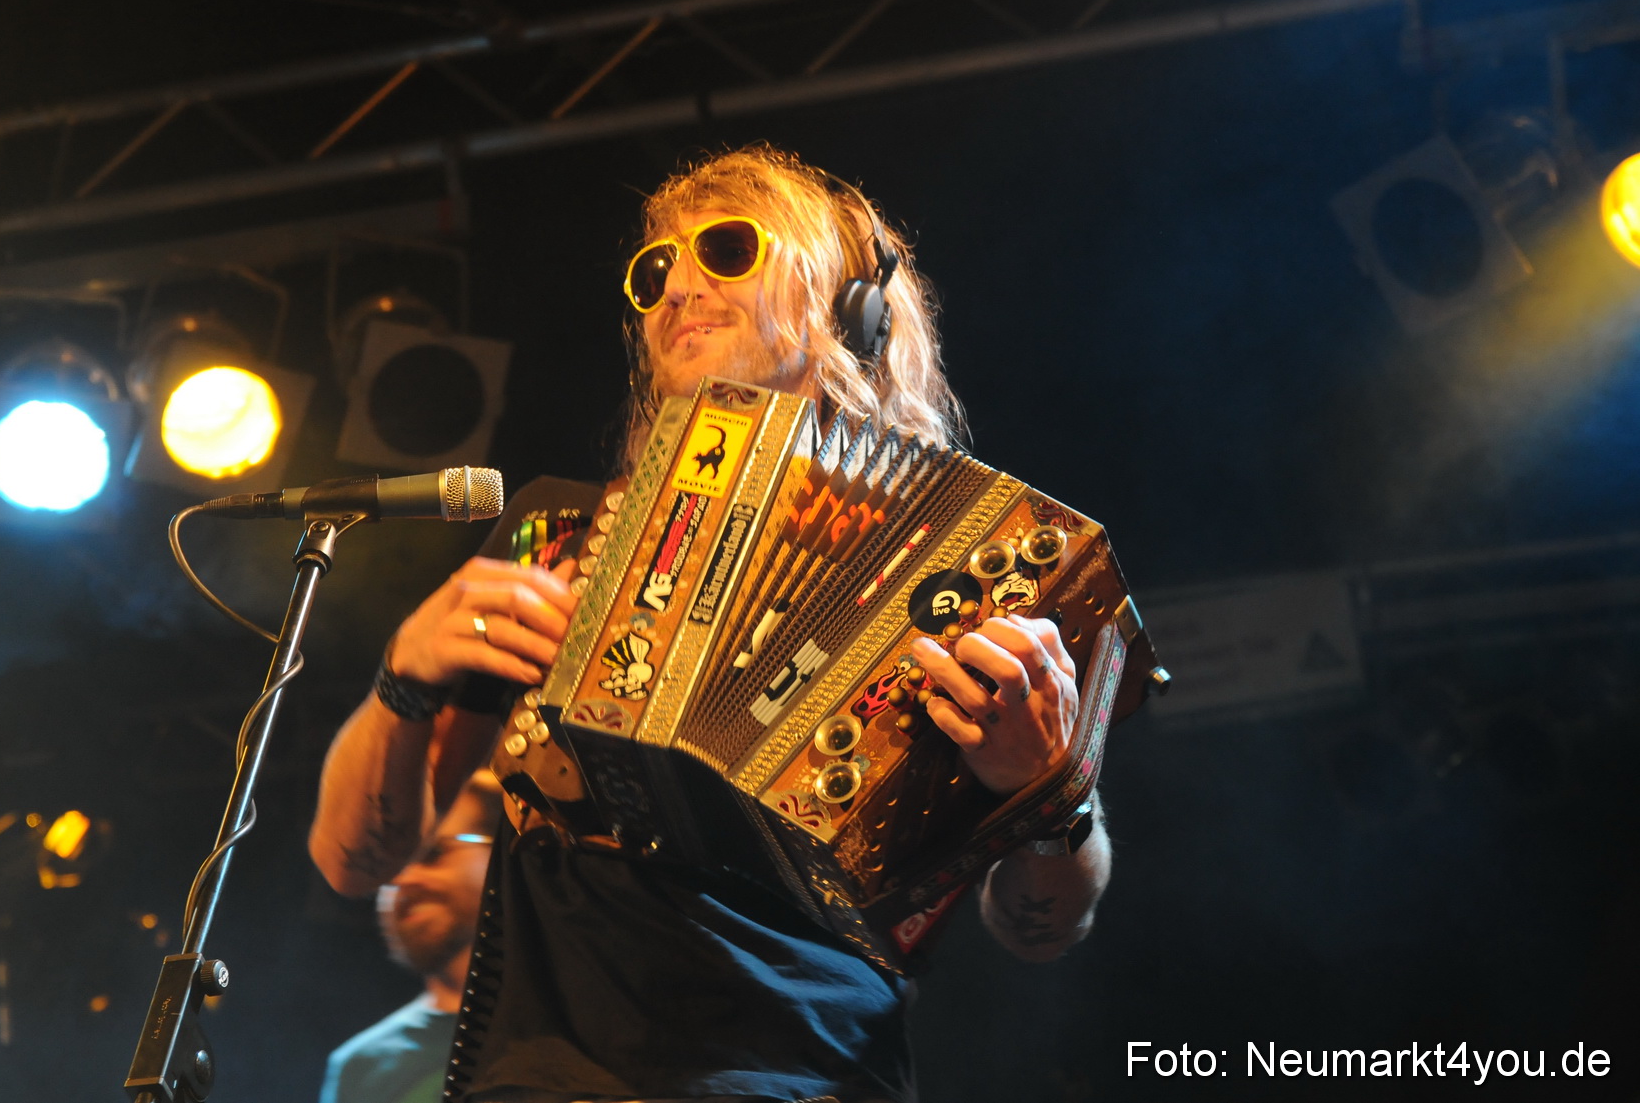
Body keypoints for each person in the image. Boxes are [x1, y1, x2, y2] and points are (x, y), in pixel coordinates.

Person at [310, 145, 1112, 1103]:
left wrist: (1053, 792)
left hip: (806, 1080)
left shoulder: (973, 563)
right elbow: (353, 863)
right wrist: (402, 676)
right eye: (653, 273)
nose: (677, 288)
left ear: (844, 302)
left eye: (726, 250)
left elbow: (1042, 927)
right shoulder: (555, 531)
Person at [319, 773, 502, 1103]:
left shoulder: (585, 1017)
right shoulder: (360, 1067)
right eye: (389, 868)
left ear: (503, 854)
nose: (405, 880)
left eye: (433, 853)